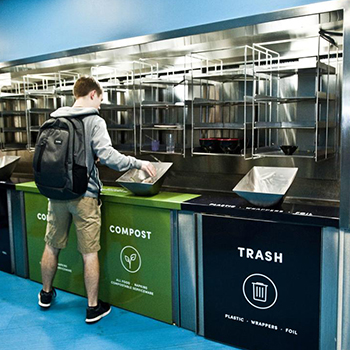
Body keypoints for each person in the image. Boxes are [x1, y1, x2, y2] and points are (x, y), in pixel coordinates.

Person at [37, 76, 156, 324]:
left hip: (56, 193)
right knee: (89, 252)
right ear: (92, 94)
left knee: (52, 245)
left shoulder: (54, 118)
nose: (100, 105)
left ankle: (46, 294)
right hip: (84, 196)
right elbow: (109, 156)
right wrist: (139, 162)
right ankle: (93, 308)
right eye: (100, 100)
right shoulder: (93, 120)